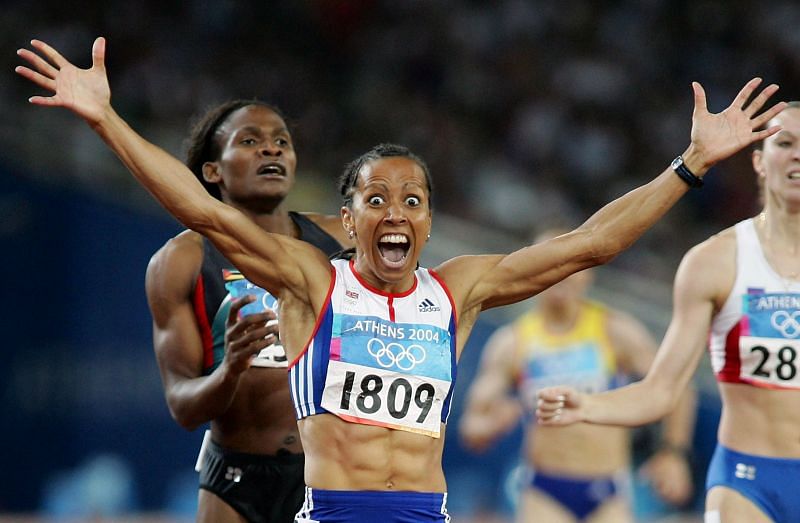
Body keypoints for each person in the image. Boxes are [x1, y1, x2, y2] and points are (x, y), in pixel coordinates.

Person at [15, 36, 784, 523]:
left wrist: (689, 166)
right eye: (375, 199)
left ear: (427, 221)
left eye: (412, 200)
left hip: (425, 513)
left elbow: (590, 245)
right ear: (348, 223)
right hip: (330, 510)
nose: (395, 212)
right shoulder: (312, 281)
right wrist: (106, 120)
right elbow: (202, 211)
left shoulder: (460, 289)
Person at [536, 101, 800, 523]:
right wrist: (589, 406)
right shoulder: (714, 262)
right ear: (759, 161)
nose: (797, 155)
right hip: (749, 484)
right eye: (783, 143)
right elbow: (662, 389)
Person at [145, 99, 351, 522]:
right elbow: (182, 406)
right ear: (213, 171)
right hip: (235, 482)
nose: (272, 150)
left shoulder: (341, 243)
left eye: (281, 141)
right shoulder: (180, 261)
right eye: (250, 141)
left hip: (327, 474)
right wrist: (230, 369)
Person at [459, 231, 695, 523]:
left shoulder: (615, 331)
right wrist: (492, 424)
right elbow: (471, 428)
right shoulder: (512, 343)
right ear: (532, 271)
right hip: (544, 491)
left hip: (608, 489)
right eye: (550, 263)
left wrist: (672, 452)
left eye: (572, 265)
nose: (562, 274)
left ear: (587, 273)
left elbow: (678, 386)